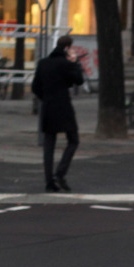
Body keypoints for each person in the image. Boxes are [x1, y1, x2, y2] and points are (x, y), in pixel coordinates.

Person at [31, 34, 84, 192]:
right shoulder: (66, 64)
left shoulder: (43, 63)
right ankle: (59, 173)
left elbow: (35, 87)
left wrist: (45, 97)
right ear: (67, 48)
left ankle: (49, 182)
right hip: (64, 107)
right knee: (73, 140)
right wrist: (75, 63)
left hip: (48, 107)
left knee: (49, 145)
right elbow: (78, 80)